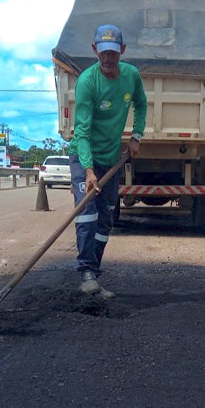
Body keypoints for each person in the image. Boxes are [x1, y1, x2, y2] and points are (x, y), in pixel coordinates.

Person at [69, 24, 147, 297]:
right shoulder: (87, 82)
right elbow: (82, 132)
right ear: (95, 50)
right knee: (86, 214)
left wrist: (136, 136)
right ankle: (85, 273)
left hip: (112, 159)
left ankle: (94, 273)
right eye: (103, 52)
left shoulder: (131, 76)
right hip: (84, 156)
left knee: (105, 218)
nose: (108, 58)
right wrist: (88, 170)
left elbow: (141, 104)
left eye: (113, 52)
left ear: (122, 50)